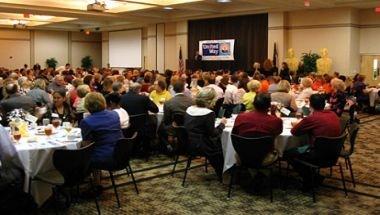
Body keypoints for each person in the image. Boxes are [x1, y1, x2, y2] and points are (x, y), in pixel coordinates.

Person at [289, 94, 341, 190]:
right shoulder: (333, 114)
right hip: (335, 151)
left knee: (288, 153)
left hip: (317, 154)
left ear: (310, 105)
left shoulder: (312, 118)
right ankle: (314, 176)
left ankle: (310, 179)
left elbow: (294, 132)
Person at [184, 88, 226, 180]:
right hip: (202, 146)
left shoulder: (189, 109)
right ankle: (224, 174)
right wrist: (222, 124)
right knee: (221, 148)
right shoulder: (208, 113)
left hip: (187, 143)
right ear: (210, 100)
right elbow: (213, 134)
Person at [232, 93, 283, 165]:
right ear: (269, 105)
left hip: (243, 154)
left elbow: (234, 133)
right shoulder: (276, 121)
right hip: (265, 156)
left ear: (253, 104)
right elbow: (278, 133)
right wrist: (273, 113)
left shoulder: (240, 117)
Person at [80, 92, 123, 169]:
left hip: (103, 158)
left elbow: (86, 146)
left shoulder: (86, 121)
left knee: (78, 156)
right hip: (121, 153)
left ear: (87, 105)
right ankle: (96, 178)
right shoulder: (114, 114)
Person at [158, 80, 193, 154]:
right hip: (188, 127)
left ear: (173, 90)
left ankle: (168, 147)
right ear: (183, 89)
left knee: (159, 129)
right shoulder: (192, 101)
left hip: (174, 127)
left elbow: (167, 120)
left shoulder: (168, 103)